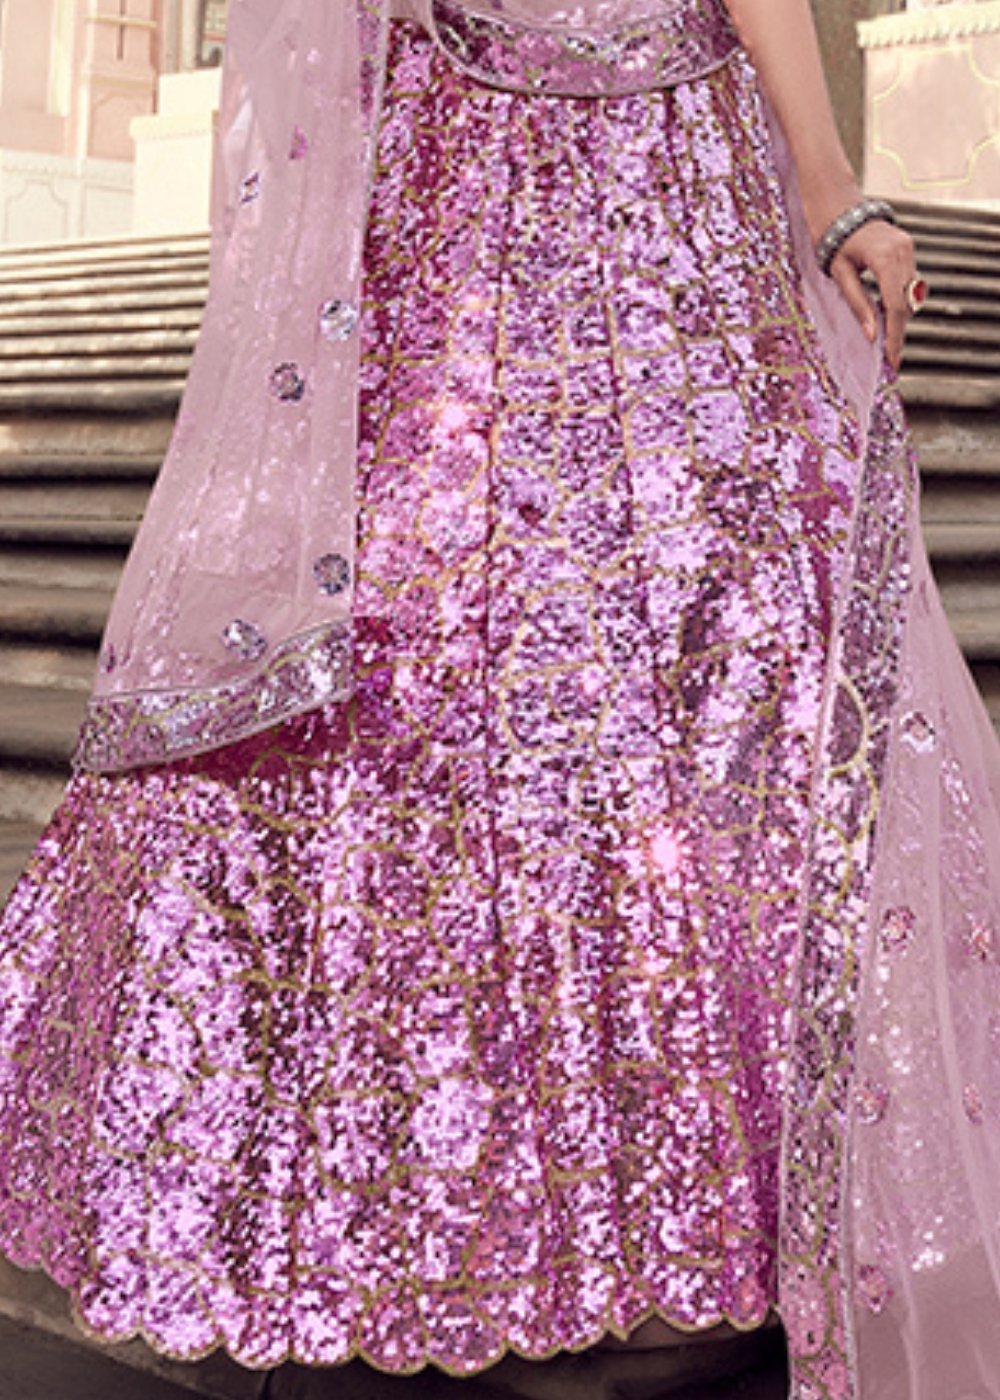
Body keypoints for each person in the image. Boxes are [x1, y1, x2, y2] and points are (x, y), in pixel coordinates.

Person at [0, 1, 997, 1398]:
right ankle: (427, 1215)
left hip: (678, 191)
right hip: (456, 173)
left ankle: (741, 1203)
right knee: (423, 652)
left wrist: (828, 186)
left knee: (748, 640)